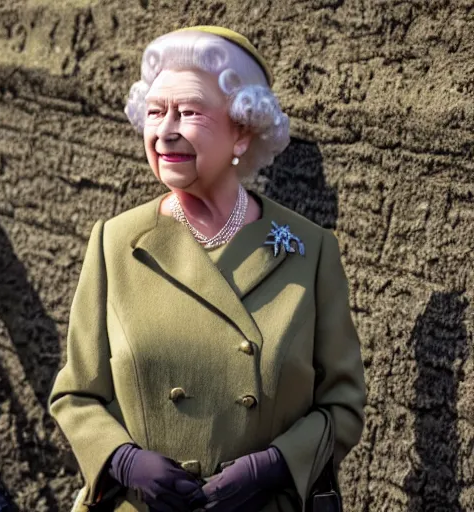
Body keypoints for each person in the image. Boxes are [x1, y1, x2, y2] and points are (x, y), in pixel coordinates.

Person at [48, 26, 367, 512]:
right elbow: (75, 395)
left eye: (189, 112)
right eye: (156, 112)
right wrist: (123, 460)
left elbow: (342, 406)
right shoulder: (115, 242)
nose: (165, 130)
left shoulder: (310, 250)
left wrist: (274, 466)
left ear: (242, 128)